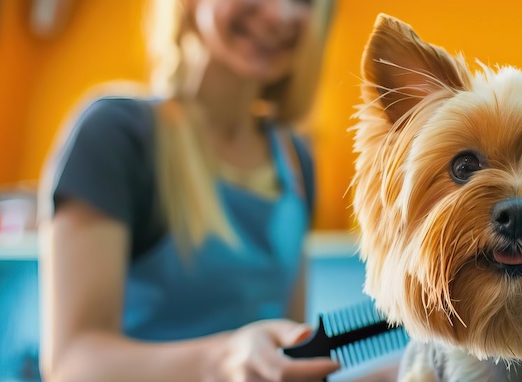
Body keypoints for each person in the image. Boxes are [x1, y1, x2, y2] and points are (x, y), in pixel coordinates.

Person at [38, 0, 343, 380]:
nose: (280, 14)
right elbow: (71, 365)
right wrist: (225, 361)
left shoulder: (297, 160)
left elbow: (289, 356)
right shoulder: (116, 136)